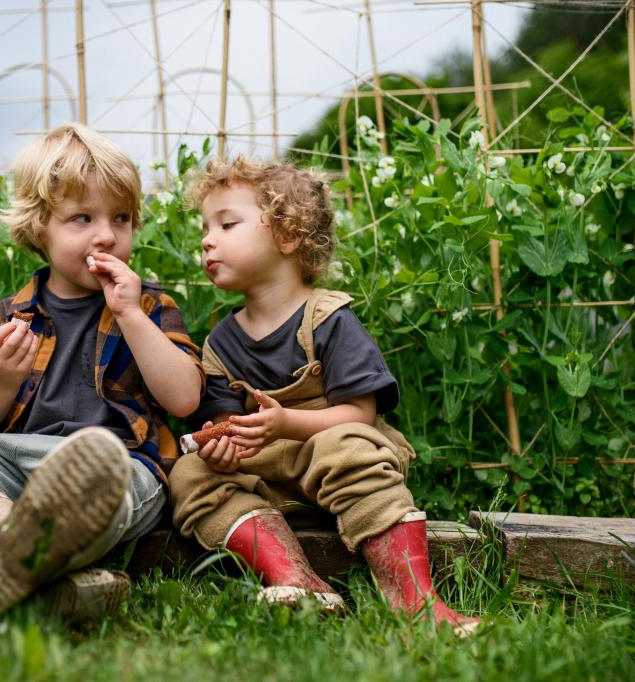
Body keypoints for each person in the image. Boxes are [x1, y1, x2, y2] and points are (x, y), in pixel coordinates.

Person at [0, 123, 204, 617]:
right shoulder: (6, 318)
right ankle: (2, 543)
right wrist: (0, 380)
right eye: (82, 218)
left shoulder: (149, 305)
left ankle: (3, 561)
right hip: (21, 473)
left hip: (119, 468)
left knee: (101, 475)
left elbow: (185, 399)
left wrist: (129, 315)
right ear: (39, 225)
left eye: (122, 218)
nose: (107, 235)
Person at [169, 157, 480, 636]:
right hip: (267, 483)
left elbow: (361, 412)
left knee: (350, 445)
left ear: (289, 235)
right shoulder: (220, 344)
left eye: (227, 224)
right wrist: (221, 448)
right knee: (190, 471)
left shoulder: (328, 318)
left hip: (336, 463)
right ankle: (295, 577)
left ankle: (415, 601)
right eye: (205, 227)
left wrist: (286, 424)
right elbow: (221, 423)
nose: (207, 239)